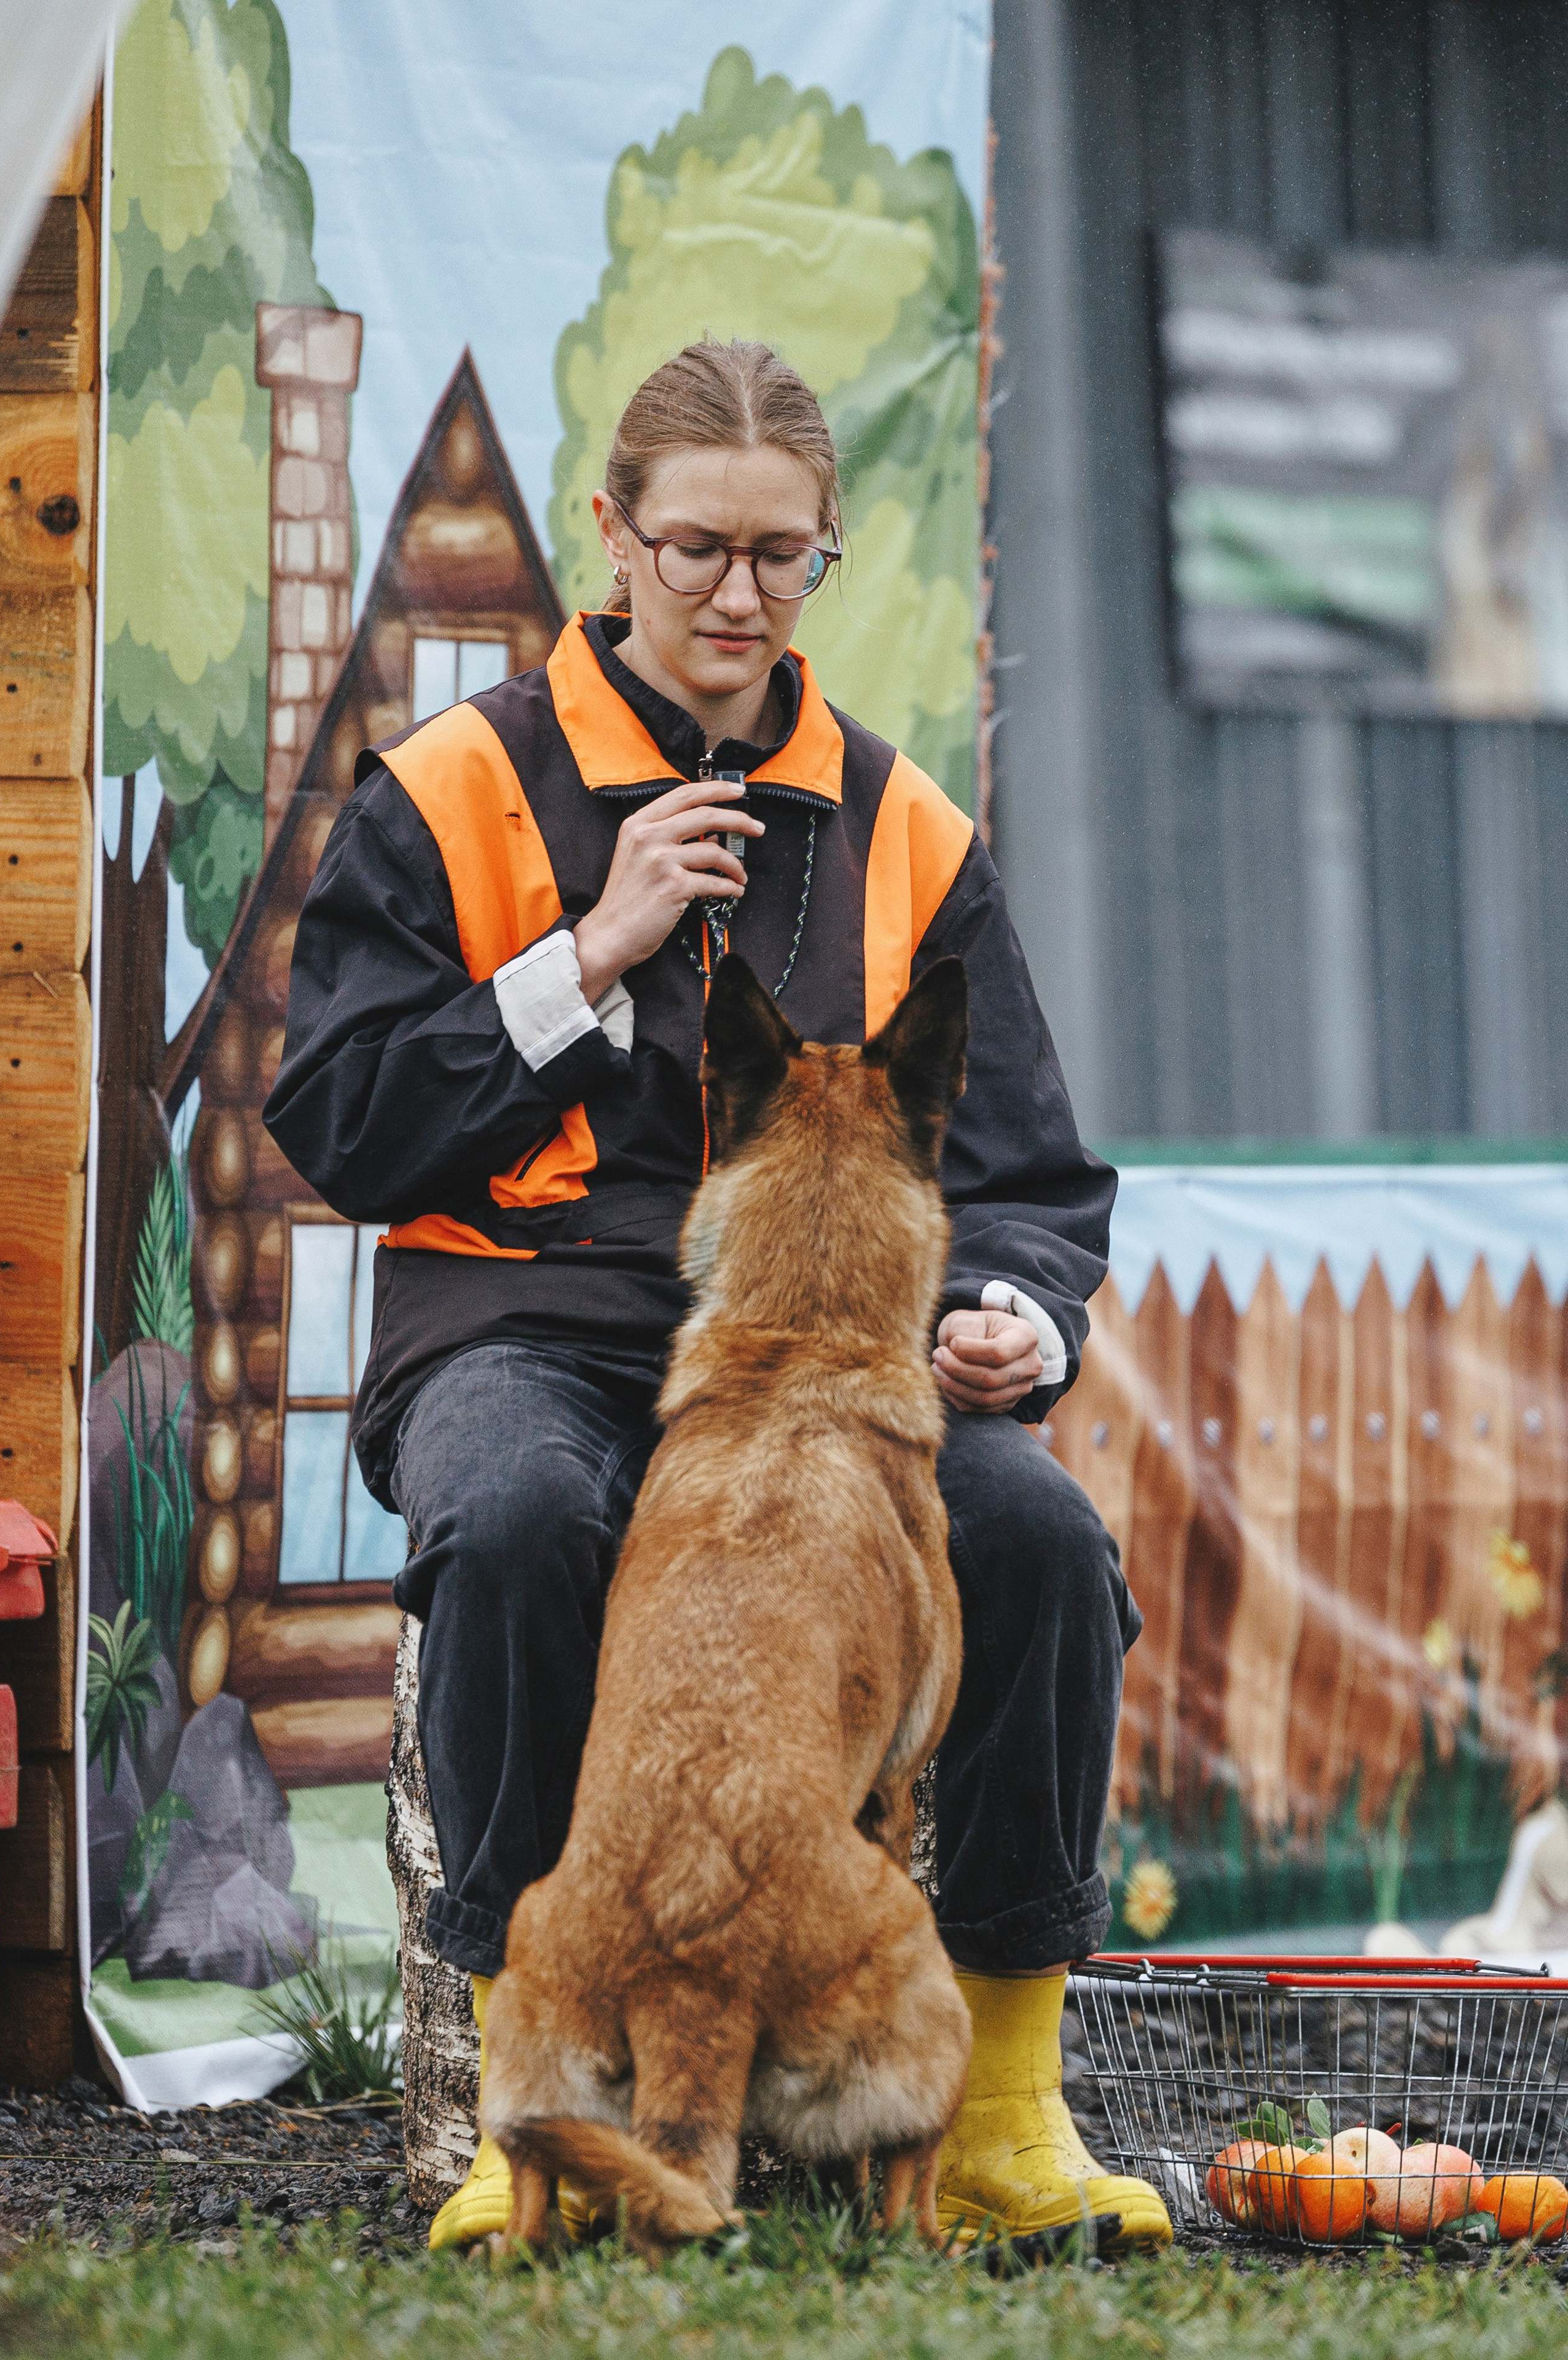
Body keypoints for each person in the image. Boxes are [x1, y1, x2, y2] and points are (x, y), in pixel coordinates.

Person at [265, 337, 1167, 2253]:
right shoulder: (452, 788)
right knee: (515, 1517)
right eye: (696, 551)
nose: (739, 600)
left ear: (828, 546)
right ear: (611, 534)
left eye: (784, 558)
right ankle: (543, 2114)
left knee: (1042, 1545)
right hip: (533, 1331)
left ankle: (1002, 2113)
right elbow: (338, 1122)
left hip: (834, 1378)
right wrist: (585, 954)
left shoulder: (908, 828)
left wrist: (1020, 1311)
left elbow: (1025, 1174)